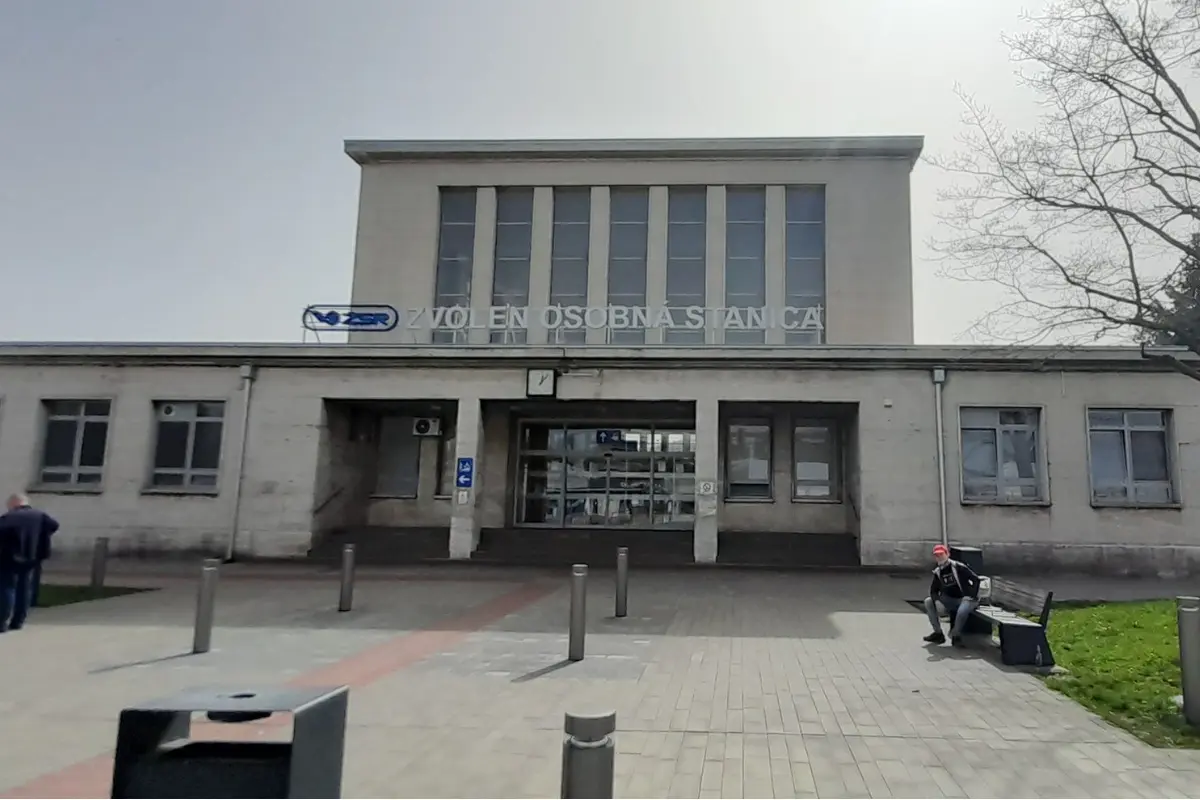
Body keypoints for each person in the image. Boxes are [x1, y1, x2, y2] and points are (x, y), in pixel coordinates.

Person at [0, 493, 59, 632]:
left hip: (10, 557)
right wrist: (40, 536)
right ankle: (18, 621)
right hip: (33, 556)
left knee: (7, 588)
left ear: (13, 504)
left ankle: (2, 622)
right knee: (25, 588)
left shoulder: (8, 517)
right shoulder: (41, 516)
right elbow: (54, 525)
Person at [922, 543, 981, 648]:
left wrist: (971, 595)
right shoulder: (938, 572)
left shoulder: (958, 567)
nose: (939, 557)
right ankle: (938, 633)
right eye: (937, 555)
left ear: (947, 554)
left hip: (966, 599)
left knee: (962, 610)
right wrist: (937, 601)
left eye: (941, 554)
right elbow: (933, 590)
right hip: (950, 600)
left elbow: (976, 579)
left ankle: (955, 635)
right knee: (928, 601)